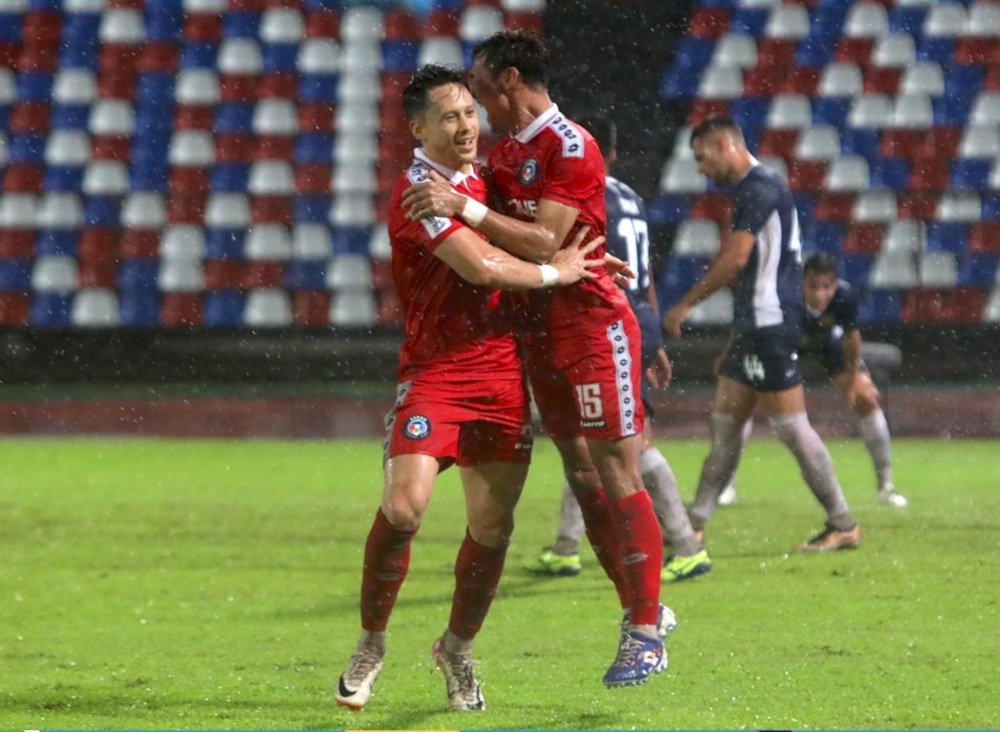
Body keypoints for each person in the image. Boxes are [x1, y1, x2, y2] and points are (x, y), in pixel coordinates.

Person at [334, 64, 606, 713]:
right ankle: (372, 642)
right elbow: (480, 264)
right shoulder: (418, 191)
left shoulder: (489, 184)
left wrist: (587, 265)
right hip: (434, 374)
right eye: (448, 116)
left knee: (493, 525)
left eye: (468, 112)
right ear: (418, 127)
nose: (464, 125)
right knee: (404, 508)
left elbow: (541, 230)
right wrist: (554, 274)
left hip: (502, 373)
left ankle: (456, 649)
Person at [402, 31, 670, 688]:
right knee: (582, 476)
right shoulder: (510, 153)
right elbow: (502, 228)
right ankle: (639, 608)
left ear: (511, 80)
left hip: (589, 324)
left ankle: (645, 627)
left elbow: (548, 239)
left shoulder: (570, 145)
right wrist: (438, 183)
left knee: (616, 466)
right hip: (539, 329)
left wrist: (462, 204)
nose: (473, 104)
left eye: (480, 88)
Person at [522, 113, 712, 583]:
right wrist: (653, 338)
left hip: (604, 323)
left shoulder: (581, 194)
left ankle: (686, 544)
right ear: (615, 153)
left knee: (629, 443)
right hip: (635, 318)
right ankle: (568, 544)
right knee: (589, 437)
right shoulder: (630, 194)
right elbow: (641, 271)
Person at [662, 115, 863, 553]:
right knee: (726, 427)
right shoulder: (760, 187)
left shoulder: (758, 187)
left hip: (770, 324)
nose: (700, 168)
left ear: (722, 144)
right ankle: (692, 526)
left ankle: (843, 522)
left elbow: (737, 259)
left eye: (702, 157)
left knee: (792, 428)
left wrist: (686, 303)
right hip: (754, 325)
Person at [717, 252, 907, 508]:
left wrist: (854, 380)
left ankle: (886, 485)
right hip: (781, 346)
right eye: (813, 286)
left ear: (835, 284)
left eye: (826, 286)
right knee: (741, 406)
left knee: (866, 398)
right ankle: (726, 485)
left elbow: (852, 339)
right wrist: (729, 355)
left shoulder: (844, 297)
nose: (820, 295)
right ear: (801, 282)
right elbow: (746, 326)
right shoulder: (783, 296)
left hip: (827, 346)